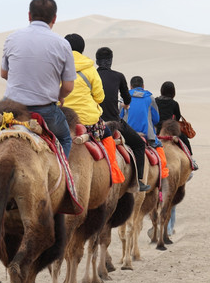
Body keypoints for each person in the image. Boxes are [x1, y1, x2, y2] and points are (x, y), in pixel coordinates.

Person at [1, 0, 76, 157]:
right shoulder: (62, 44)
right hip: (45, 111)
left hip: (10, 109)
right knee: (65, 138)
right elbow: (68, 86)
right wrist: (59, 95)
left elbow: (4, 73)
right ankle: (64, 178)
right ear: (54, 18)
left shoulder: (12, 38)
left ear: (29, 15)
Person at [63, 34, 124, 184]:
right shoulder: (90, 69)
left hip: (62, 117)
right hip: (87, 120)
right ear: (82, 49)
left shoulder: (57, 66)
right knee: (107, 134)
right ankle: (114, 172)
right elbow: (100, 97)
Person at [96, 47, 150, 191]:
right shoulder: (119, 76)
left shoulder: (92, 75)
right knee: (139, 144)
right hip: (114, 122)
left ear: (97, 61)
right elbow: (127, 98)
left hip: (94, 121)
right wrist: (126, 104)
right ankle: (137, 182)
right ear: (111, 61)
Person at [121, 76, 168, 178]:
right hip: (147, 136)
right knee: (160, 150)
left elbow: (120, 117)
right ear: (143, 86)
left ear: (130, 86)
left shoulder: (124, 97)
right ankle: (162, 176)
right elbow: (156, 119)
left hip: (127, 135)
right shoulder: (150, 98)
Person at [155, 81, 192, 155]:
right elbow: (177, 118)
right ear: (173, 92)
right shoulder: (174, 103)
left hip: (156, 129)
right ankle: (191, 158)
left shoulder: (155, 101)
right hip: (168, 130)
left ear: (162, 90)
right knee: (185, 140)